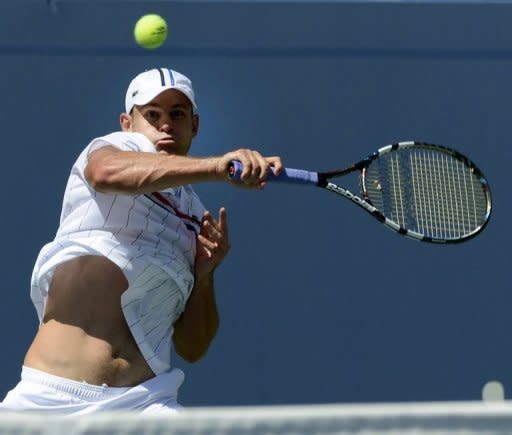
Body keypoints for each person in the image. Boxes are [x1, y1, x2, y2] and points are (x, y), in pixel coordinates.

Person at [0, 67, 282, 414]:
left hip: (145, 404)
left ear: (194, 125)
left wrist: (205, 276)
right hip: (49, 400)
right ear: (127, 124)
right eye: (152, 114)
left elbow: (192, 347)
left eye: (177, 114)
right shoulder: (115, 148)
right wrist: (220, 167)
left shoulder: (197, 218)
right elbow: (105, 173)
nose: (165, 125)